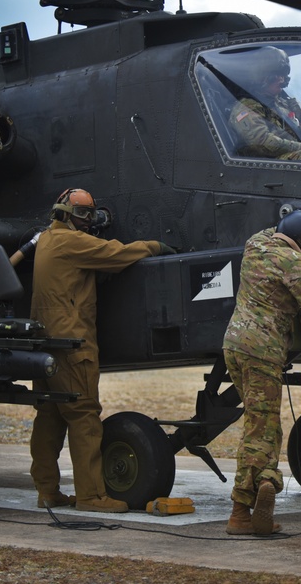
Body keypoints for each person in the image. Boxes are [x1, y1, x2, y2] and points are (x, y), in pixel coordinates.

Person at [29, 188, 175, 513]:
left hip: (45, 343)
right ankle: (92, 497)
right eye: (83, 216)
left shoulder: (47, 241)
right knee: (84, 418)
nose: (87, 223)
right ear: (68, 215)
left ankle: (47, 491)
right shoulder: (72, 242)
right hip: (71, 344)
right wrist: (153, 247)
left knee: (50, 418)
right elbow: (114, 254)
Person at [223, 209, 301, 535]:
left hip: (234, 345)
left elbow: (274, 230)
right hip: (263, 351)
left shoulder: (255, 245)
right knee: (264, 430)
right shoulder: (297, 264)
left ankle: (255, 490)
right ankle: (245, 507)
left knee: (256, 423)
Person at [229, 46, 301, 161]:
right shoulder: (246, 108)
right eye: (276, 75)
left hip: (291, 155)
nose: (281, 79)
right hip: (267, 164)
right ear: (261, 76)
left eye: (282, 74)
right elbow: (261, 142)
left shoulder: (285, 103)